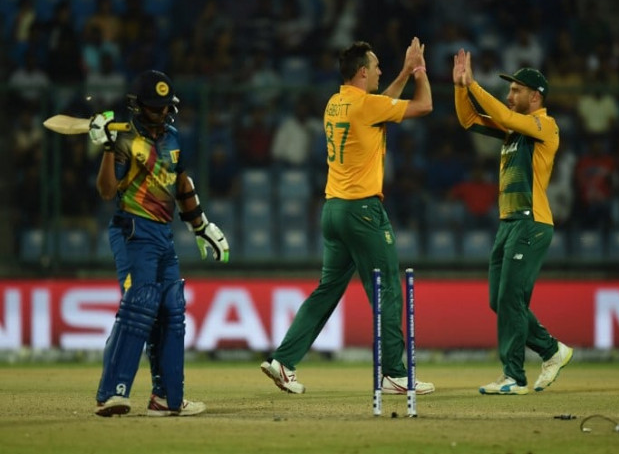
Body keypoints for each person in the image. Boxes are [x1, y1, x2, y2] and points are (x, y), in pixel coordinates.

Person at [261, 38, 435, 395]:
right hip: (363, 211)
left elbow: (379, 105)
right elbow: (425, 105)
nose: (380, 71)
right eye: (376, 67)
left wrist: (402, 71)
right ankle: (395, 374)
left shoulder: (335, 103)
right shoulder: (367, 106)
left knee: (327, 291)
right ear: (362, 72)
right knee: (387, 288)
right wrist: (418, 71)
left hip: (334, 210)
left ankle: (283, 360)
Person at [88, 70, 229, 416]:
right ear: (138, 107)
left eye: (167, 107)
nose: (163, 113)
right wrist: (107, 147)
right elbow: (107, 191)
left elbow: (180, 182)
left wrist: (200, 225)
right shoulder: (122, 139)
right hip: (133, 229)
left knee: (173, 310)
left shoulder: (174, 138)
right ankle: (112, 393)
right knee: (141, 303)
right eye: (156, 108)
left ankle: (167, 399)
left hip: (163, 234)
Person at [452, 50, 573, 395]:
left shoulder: (544, 126)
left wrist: (474, 83)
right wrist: (461, 87)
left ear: (535, 96)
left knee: (510, 300)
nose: (510, 96)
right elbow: (467, 120)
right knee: (500, 301)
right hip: (508, 224)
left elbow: (503, 113)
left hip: (531, 223)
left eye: (516, 90)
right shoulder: (512, 132)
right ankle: (552, 350)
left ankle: (513, 376)